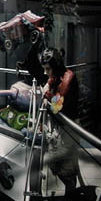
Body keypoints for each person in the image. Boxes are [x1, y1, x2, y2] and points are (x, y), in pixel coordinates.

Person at [40, 48, 81, 193]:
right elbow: (49, 86)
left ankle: (71, 197)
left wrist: (46, 94)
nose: (45, 72)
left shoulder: (68, 77)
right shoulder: (57, 76)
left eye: (47, 69)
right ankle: (71, 194)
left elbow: (57, 105)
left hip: (68, 127)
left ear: (55, 66)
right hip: (59, 125)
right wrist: (48, 94)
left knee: (66, 167)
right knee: (56, 162)